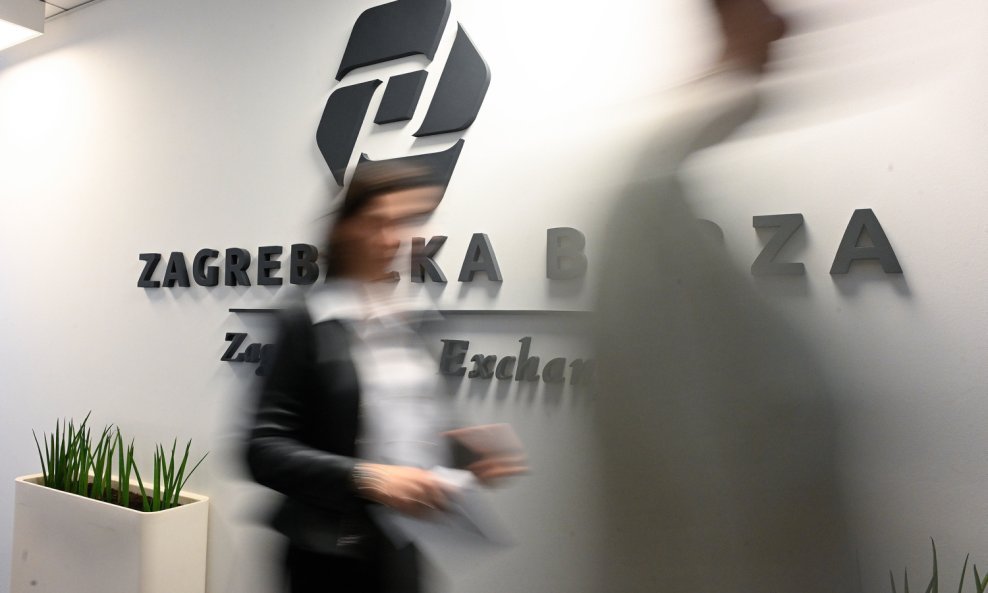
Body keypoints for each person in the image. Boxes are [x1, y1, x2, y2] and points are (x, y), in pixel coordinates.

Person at [593, 1, 857, 592]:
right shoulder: (646, 203)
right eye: (765, 9)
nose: (788, 25)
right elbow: (683, 454)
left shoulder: (660, 203)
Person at [246, 162, 525, 593]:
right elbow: (262, 449)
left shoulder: (410, 319)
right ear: (345, 229)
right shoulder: (307, 320)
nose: (393, 238)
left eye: (408, 222)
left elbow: (388, 430)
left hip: (403, 545)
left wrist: (461, 452)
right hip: (328, 556)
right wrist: (367, 477)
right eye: (379, 222)